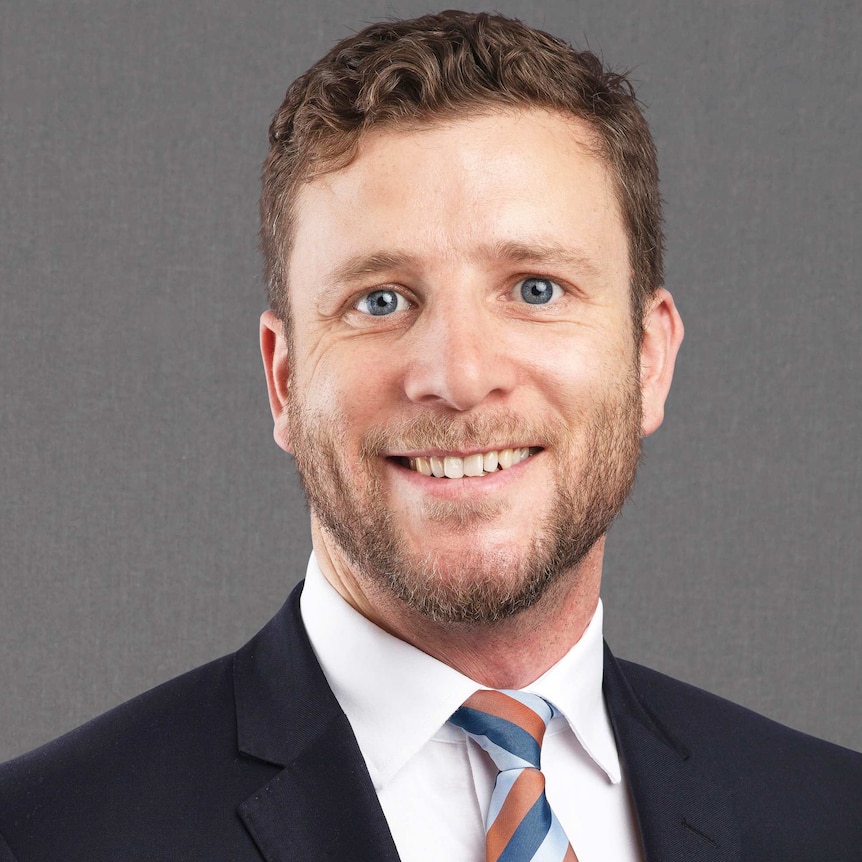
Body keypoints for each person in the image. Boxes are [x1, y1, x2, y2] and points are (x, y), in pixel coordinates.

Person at [1, 10, 860, 861]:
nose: (457, 375)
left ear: (648, 358)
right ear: (285, 379)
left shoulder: (831, 818)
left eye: (535, 289)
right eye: (381, 300)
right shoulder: (46, 834)